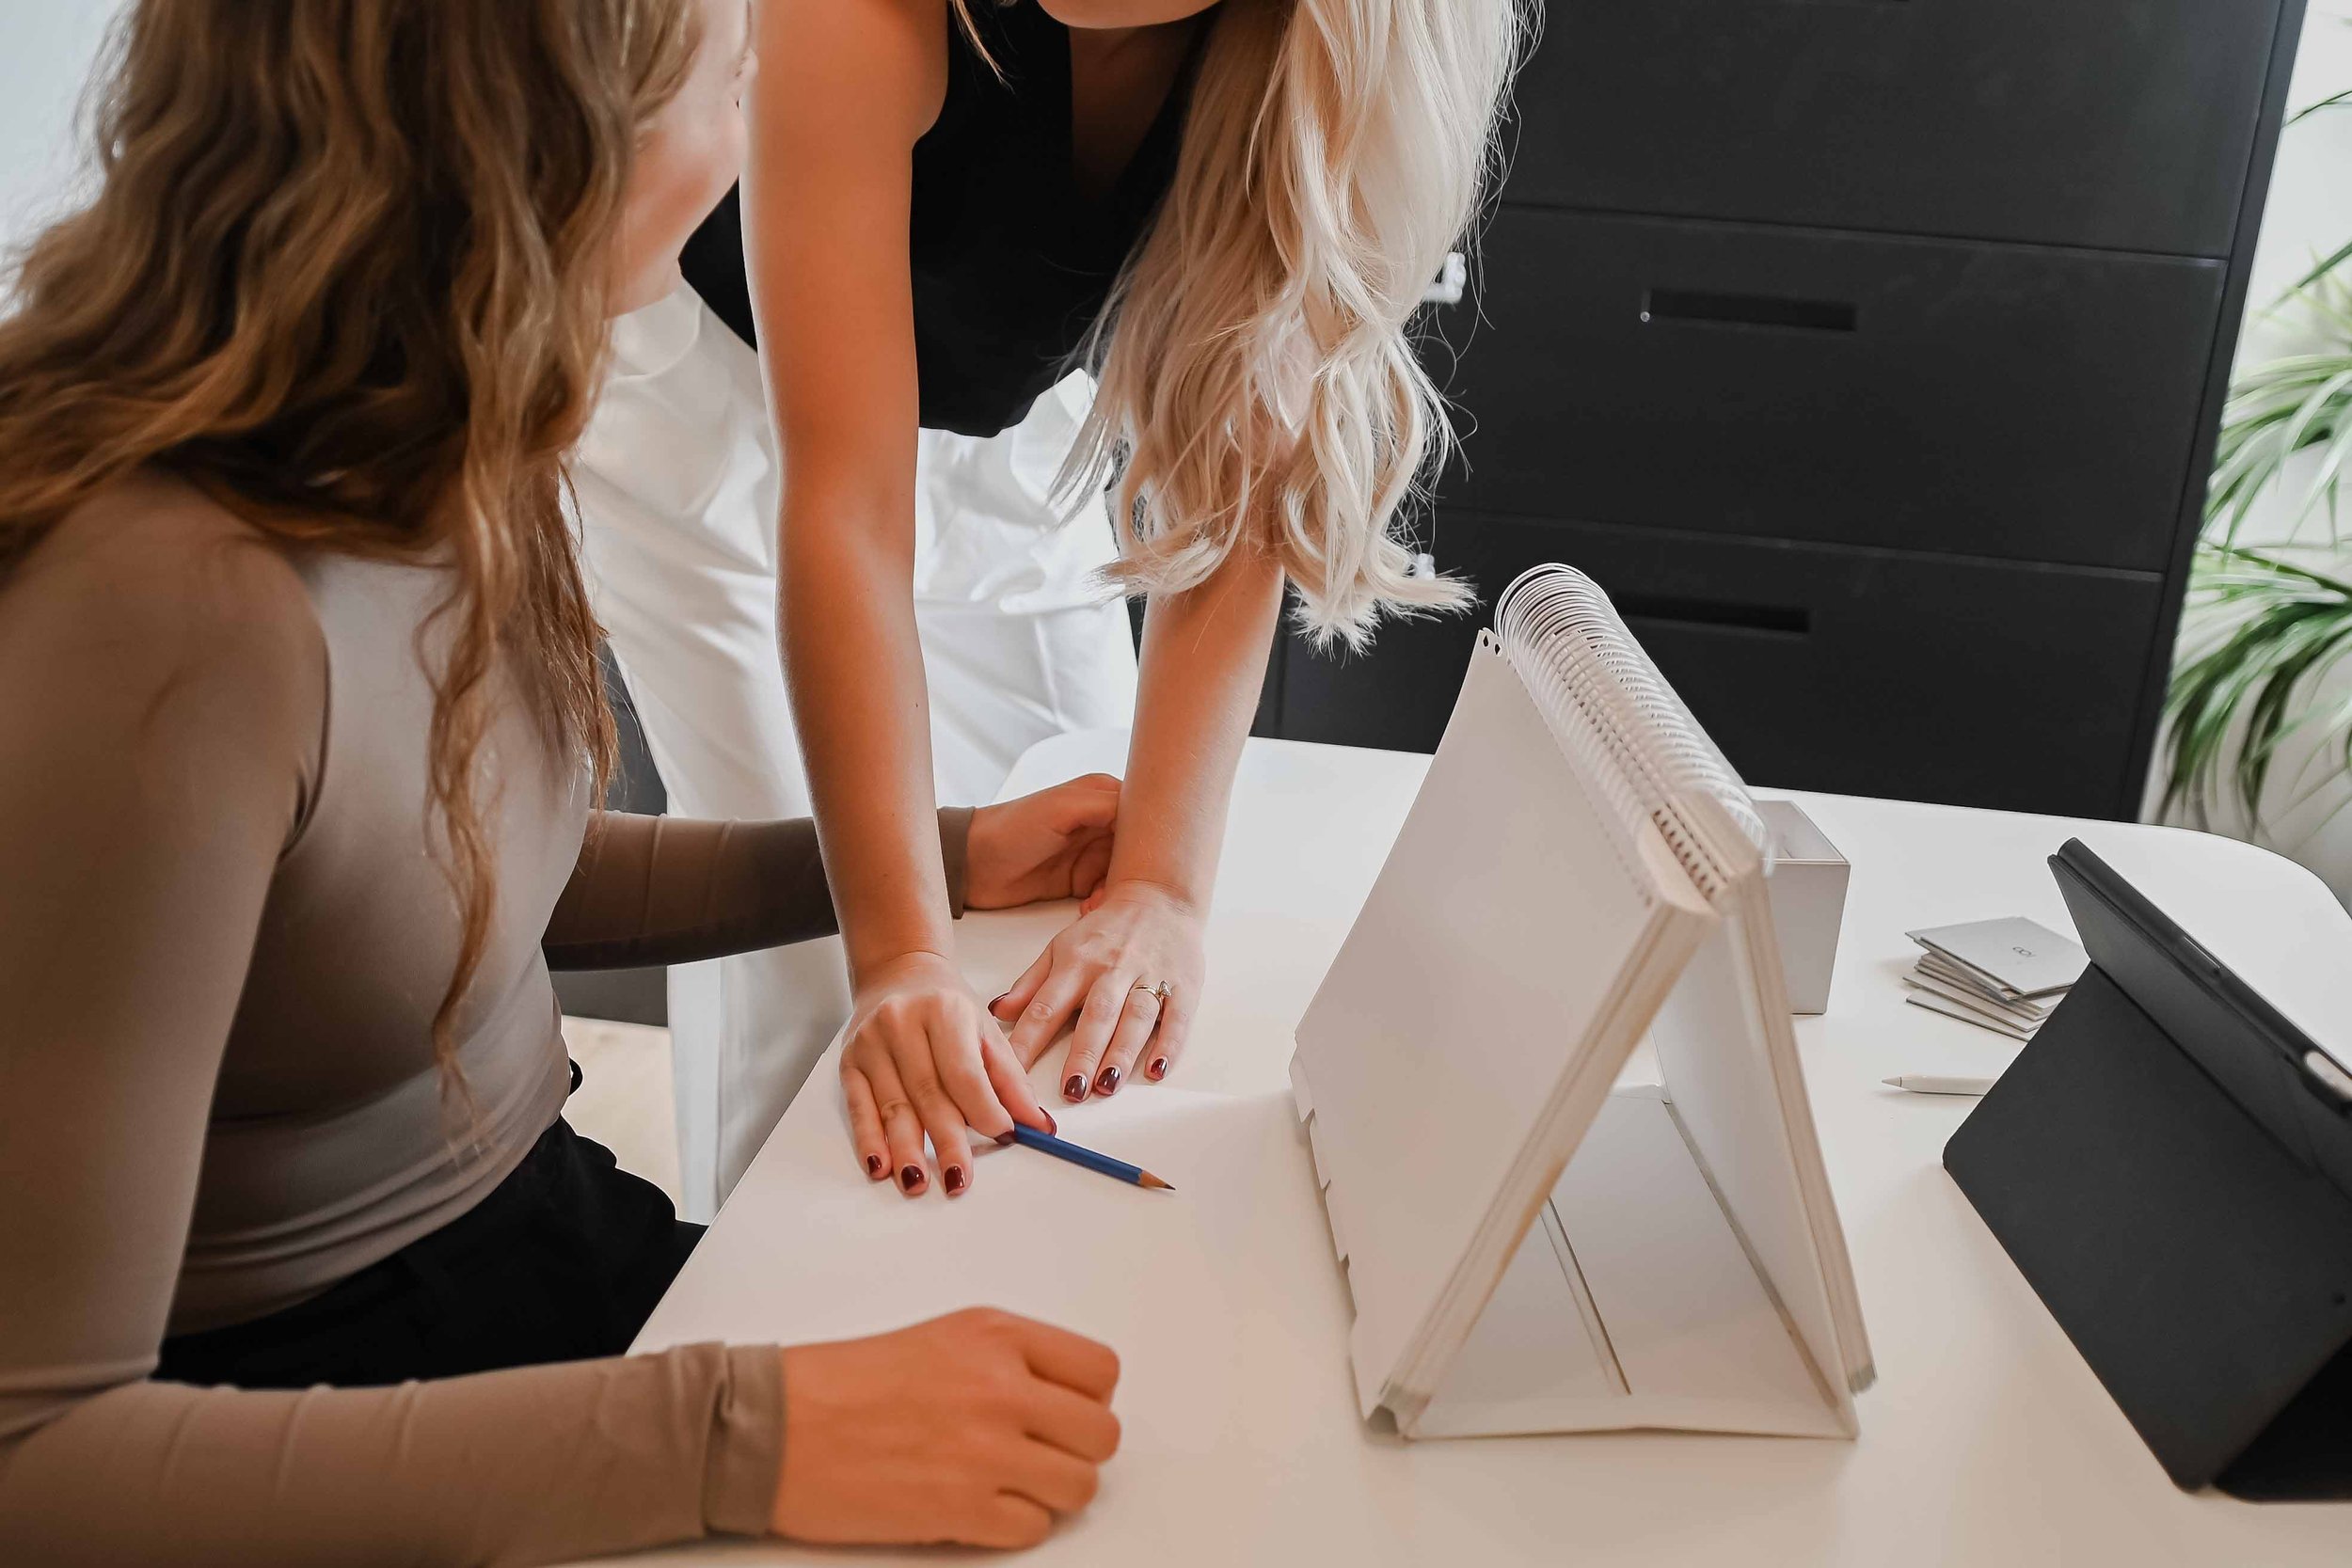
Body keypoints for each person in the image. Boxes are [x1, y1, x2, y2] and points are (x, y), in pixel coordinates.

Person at [0, 1, 1124, 1560]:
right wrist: (738, 1434)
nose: (752, 148)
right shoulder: (157, 618)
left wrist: (942, 853)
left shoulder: (435, 420)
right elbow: (38, 1457)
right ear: (540, 144)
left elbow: (432, 872)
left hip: (529, 1240)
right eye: (729, 90)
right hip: (293, 1407)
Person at [578, 0, 1526, 1207]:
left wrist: (1160, 888)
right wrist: (901, 958)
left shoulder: (1330, 64)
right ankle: (772, 1306)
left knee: (1080, 862)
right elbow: (846, 513)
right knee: (817, 930)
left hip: (996, 410)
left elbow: (1238, 480)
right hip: (711, 388)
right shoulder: (856, 20)